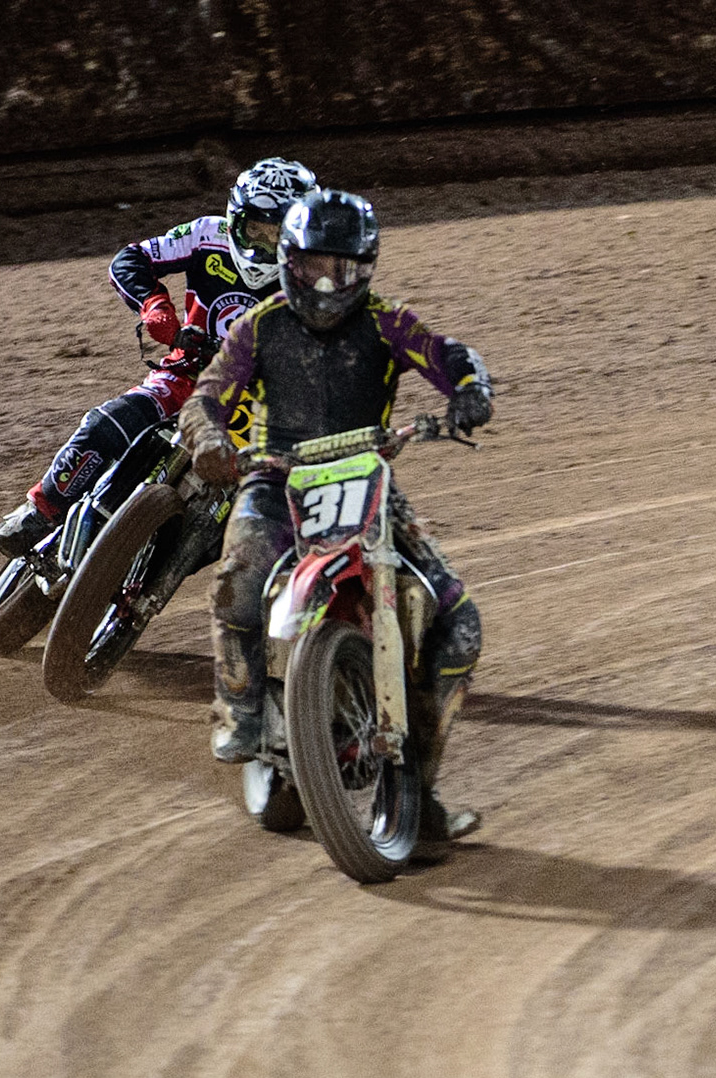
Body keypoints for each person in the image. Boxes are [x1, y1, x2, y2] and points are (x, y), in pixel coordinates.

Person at [178, 188, 494, 844]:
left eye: (344, 268)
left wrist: (469, 392)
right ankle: (239, 709)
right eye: (314, 266)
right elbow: (206, 395)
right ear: (288, 260)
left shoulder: (387, 322)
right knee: (238, 578)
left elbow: (450, 356)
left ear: (366, 267)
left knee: (458, 622)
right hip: (274, 481)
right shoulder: (259, 325)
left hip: (369, 480)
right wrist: (208, 441)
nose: (328, 282)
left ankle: (423, 794)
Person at [0, 157, 318, 555]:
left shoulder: (316, 284)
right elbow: (131, 259)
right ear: (236, 219)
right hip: (184, 375)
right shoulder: (205, 235)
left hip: (257, 414)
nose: (266, 244)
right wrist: (155, 307)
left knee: (263, 528)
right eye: (257, 231)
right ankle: (41, 509)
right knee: (107, 423)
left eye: (279, 235)